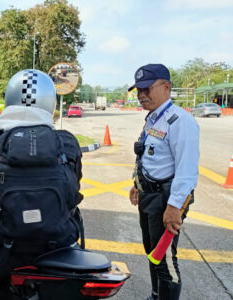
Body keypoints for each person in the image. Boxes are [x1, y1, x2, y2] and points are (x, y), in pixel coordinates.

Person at [0, 69, 83, 299]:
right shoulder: (65, 141)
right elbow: (74, 184)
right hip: (59, 241)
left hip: (7, 247)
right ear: (49, 102)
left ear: (10, 98)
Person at [128, 64, 199, 300]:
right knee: (152, 253)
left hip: (165, 200)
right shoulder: (153, 119)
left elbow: (187, 169)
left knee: (165, 259)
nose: (141, 95)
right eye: (138, 90)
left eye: (146, 89)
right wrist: (137, 183)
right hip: (149, 197)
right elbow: (149, 156)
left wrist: (174, 206)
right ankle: (156, 295)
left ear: (166, 87)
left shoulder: (180, 121)